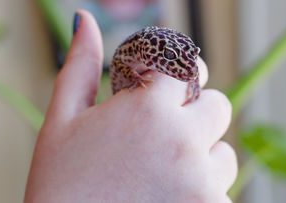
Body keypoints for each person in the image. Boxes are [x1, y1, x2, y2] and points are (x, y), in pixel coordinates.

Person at [24, 10, 237, 202]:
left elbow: (188, 68)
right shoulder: (130, 56)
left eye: (194, 55)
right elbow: (120, 65)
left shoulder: (165, 58)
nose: (190, 70)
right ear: (145, 51)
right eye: (170, 58)